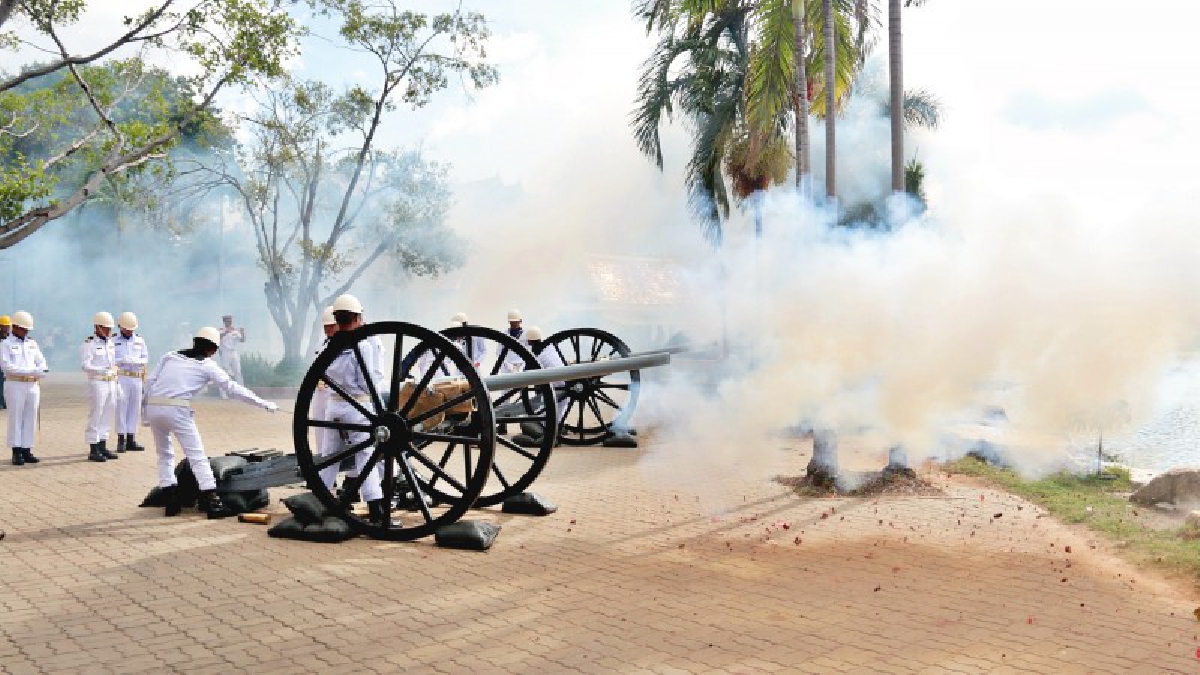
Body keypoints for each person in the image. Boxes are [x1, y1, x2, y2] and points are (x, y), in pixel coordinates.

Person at [143, 326, 279, 518]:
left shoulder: (169, 356)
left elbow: (150, 382)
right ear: (212, 349)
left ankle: (171, 501)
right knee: (197, 456)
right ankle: (212, 503)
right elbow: (232, 388)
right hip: (177, 409)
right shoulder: (207, 365)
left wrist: (146, 415)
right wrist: (263, 403)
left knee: (164, 454)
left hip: (154, 407)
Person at [323, 294, 388, 524]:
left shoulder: (329, 345)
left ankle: (321, 501)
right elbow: (366, 382)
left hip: (333, 407)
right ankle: (375, 508)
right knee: (366, 456)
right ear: (358, 318)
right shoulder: (363, 346)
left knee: (329, 457)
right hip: (358, 406)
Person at [1, 311, 47, 466]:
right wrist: (31, 371)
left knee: (30, 416)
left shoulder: (32, 343)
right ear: (15, 327)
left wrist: (40, 370)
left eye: (27, 329)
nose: (26, 331)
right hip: (15, 384)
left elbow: (42, 362)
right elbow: (7, 366)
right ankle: (16, 450)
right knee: (16, 418)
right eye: (23, 328)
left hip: (32, 384)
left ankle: (27, 449)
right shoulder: (5, 344)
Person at [81, 312, 121, 462]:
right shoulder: (89, 343)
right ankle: (93, 448)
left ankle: (103, 444)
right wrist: (101, 369)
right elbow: (85, 365)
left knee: (108, 413)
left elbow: (113, 363)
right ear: (98, 327)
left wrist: (115, 377)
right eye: (106, 328)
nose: (109, 331)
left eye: (110, 328)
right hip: (97, 381)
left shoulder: (110, 343)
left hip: (110, 381)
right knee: (96, 414)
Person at [312, 306, 341, 491]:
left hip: (340, 395)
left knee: (341, 438)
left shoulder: (347, 344)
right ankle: (325, 474)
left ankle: (351, 478)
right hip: (321, 393)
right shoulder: (323, 344)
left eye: (331, 326)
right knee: (320, 434)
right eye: (325, 327)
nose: (328, 330)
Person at [112, 312, 148, 452]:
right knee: (122, 408)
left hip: (136, 377)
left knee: (134, 408)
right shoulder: (113, 340)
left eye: (132, 328)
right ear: (120, 327)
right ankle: (121, 439)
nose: (129, 330)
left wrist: (137, 361)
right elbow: (110, 359)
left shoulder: (139, 340)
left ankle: (131, 439)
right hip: (122, 377)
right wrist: (121, 360)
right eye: (127, 328)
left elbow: (145, 358)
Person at [218, 314, 246, 388]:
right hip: (225, 352)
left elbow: (242, 340)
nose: (229, 322)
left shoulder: (235, 331)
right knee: (225, 372)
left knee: (237, 371)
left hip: (233, 352)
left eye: (230, 321)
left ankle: (241, 390)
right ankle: (224, 392)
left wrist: (242, 332)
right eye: (228, 321)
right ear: (224, 322)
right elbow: (217, 338)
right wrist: (226, 332)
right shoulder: (220, 330)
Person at [0, 314, 9, 410]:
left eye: (7, 326)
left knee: (7, 384)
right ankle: (1, 402)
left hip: (7, 364)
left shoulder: (10, 337)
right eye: (4, 326)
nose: (6, 328)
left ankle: (6, 402)